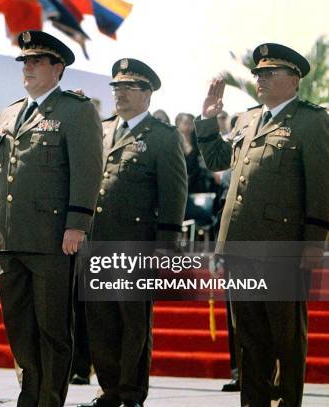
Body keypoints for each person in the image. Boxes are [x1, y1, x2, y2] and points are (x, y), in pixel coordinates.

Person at [0, 30, 103, 407]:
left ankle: (49, 400)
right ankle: (29, 396)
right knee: (19, 328)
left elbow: (87, 170)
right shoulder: (11, 112)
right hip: (11, 238)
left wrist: (77, 224)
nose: (28, 67)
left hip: (52, 238)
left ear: (58, 69)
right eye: (25, 62)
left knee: (52, 329)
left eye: (37, 61)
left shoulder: (75, 111)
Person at [195, 42, 328, 407]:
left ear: (294, 79)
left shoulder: (312, 120)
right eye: (258, 73)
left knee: (286, 337)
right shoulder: (247, 119)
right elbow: (218, 160)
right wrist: (207, 119)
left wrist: (314, 241)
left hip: (282, 248)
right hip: (240, 247)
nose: (261, 79)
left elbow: (321, 183)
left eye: (270, 73)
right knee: (249, 339)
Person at [78, 59, 187, 407]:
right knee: (101, 320)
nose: (119, 93)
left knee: (133, 321)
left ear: (147, 94)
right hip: (98, 241)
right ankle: (109, 389)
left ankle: (131, 392)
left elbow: (174, 194)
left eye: (128, 87)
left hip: (136, 243)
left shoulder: (163, 137)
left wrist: (166, 247)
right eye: (116, 87)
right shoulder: (104, 129)